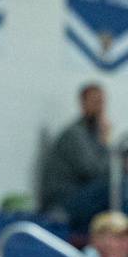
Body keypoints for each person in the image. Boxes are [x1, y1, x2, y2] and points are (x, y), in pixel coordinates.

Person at [40, 84, 115, 233]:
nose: (99, 107)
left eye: (101, 102)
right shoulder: (74, 134)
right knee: (112, 187)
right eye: (95, 101)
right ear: (83, 103)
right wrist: (105, 143)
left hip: (79, 197)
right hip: (61, 202)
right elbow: (93, 172)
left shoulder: (93, 134)